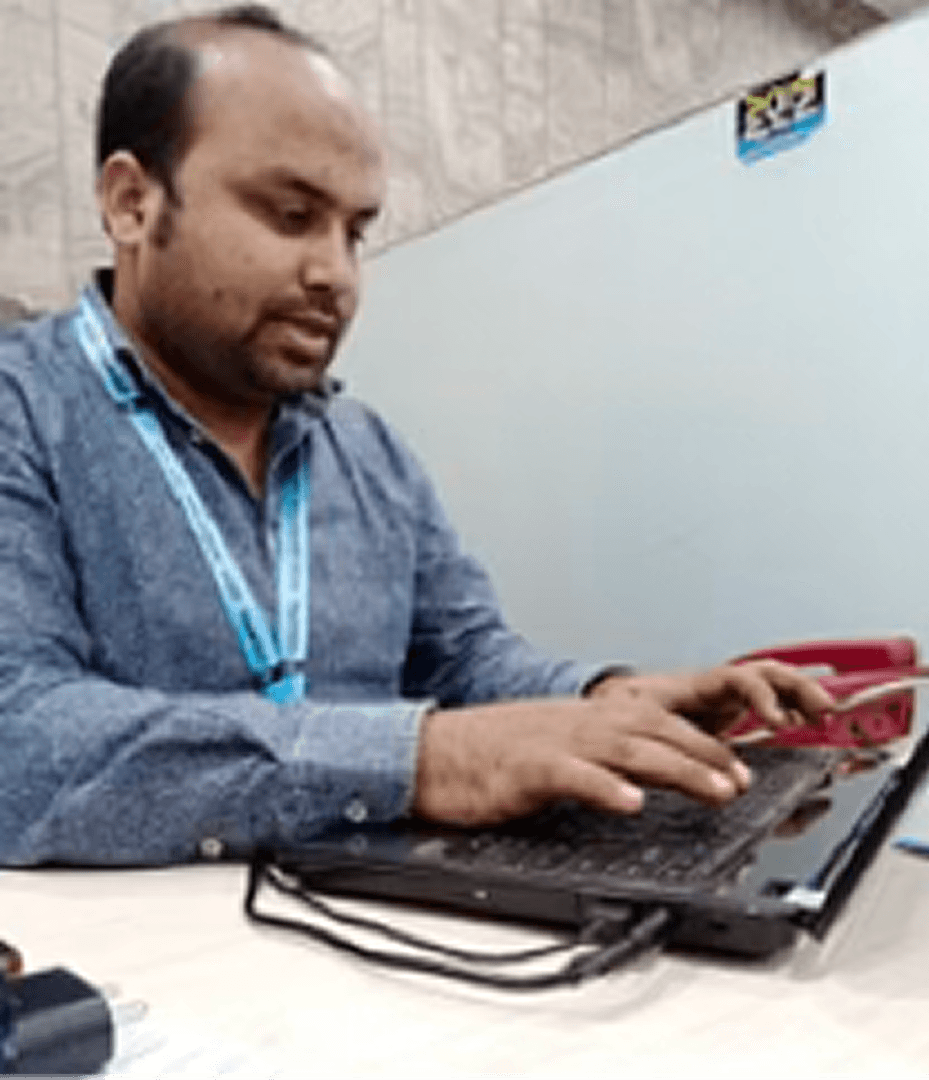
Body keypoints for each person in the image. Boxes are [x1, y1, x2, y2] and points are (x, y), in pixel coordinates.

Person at [0, 5, 833, 866]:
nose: (335, 275)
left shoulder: (370, 454)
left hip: (380, 938)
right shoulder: (21, 409)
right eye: (290, 215)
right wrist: (422, 760)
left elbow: (464, 655)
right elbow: (17, 741)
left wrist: (606, 700)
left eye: (355, 232)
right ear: (132, 202)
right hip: (147, 974)